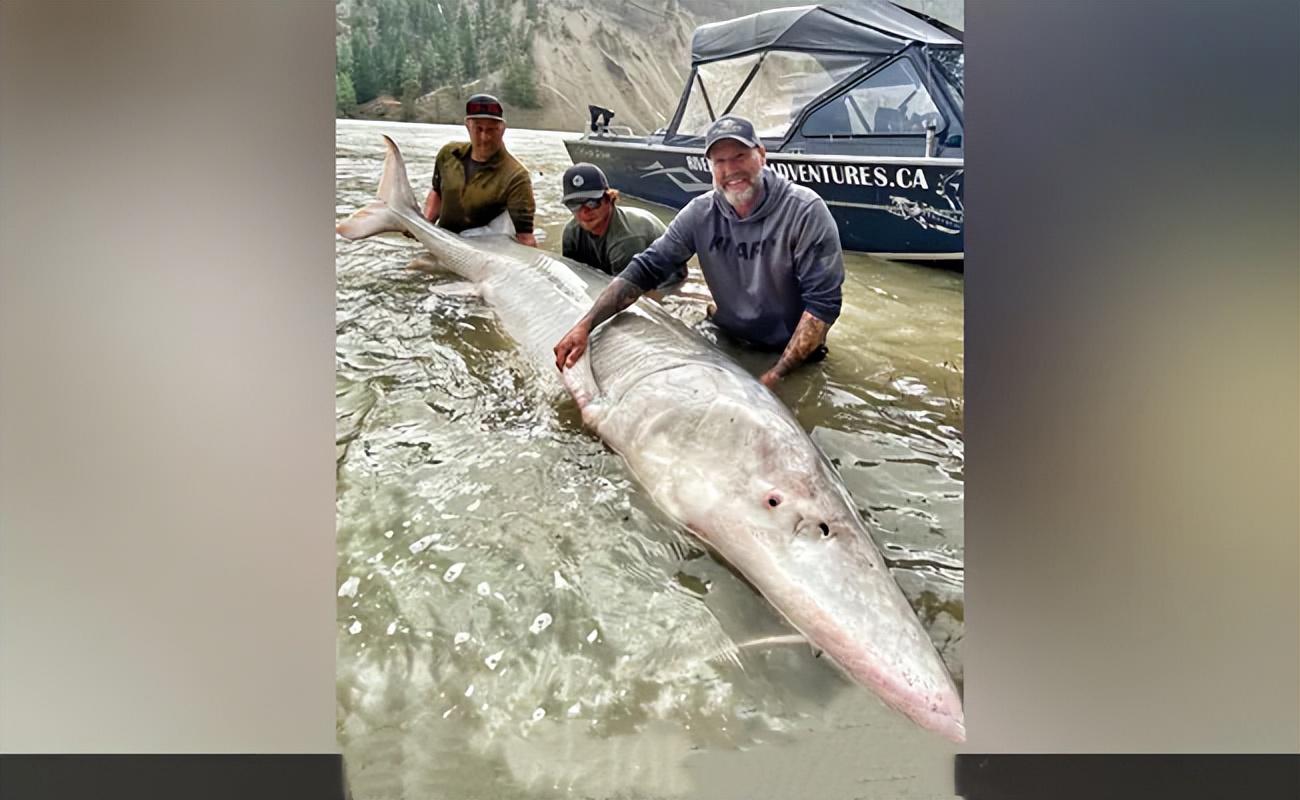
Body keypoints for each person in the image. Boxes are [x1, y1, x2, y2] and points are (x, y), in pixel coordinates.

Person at [553, 115, 844, 389]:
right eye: (720, 161)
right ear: (710, 167)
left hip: (793, 355)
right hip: (725, 338)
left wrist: (777, 376)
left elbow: (823, 305)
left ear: (762, 155)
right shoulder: (699, 213)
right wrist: (586, 325)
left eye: (740, 156)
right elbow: (646, 269)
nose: (731, 169)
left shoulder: (806, 210)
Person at [422, 93, 537, 246]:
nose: (484, 137)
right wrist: (424, 225)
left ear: (502, 129)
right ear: (468, 126)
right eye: (478, 129)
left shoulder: (516, 176)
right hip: (441, 243)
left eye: (491, 130)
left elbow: (525, 237)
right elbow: (437, 192)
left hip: (482, 251)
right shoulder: (448, 155)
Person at [560, 163, 687, 290]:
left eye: (592, 203)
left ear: (610, 198)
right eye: (574, 205)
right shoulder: (571, 232)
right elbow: (574, 277)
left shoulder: (627, 239)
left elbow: (625, 294)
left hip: (665, 280)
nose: (584, 212)